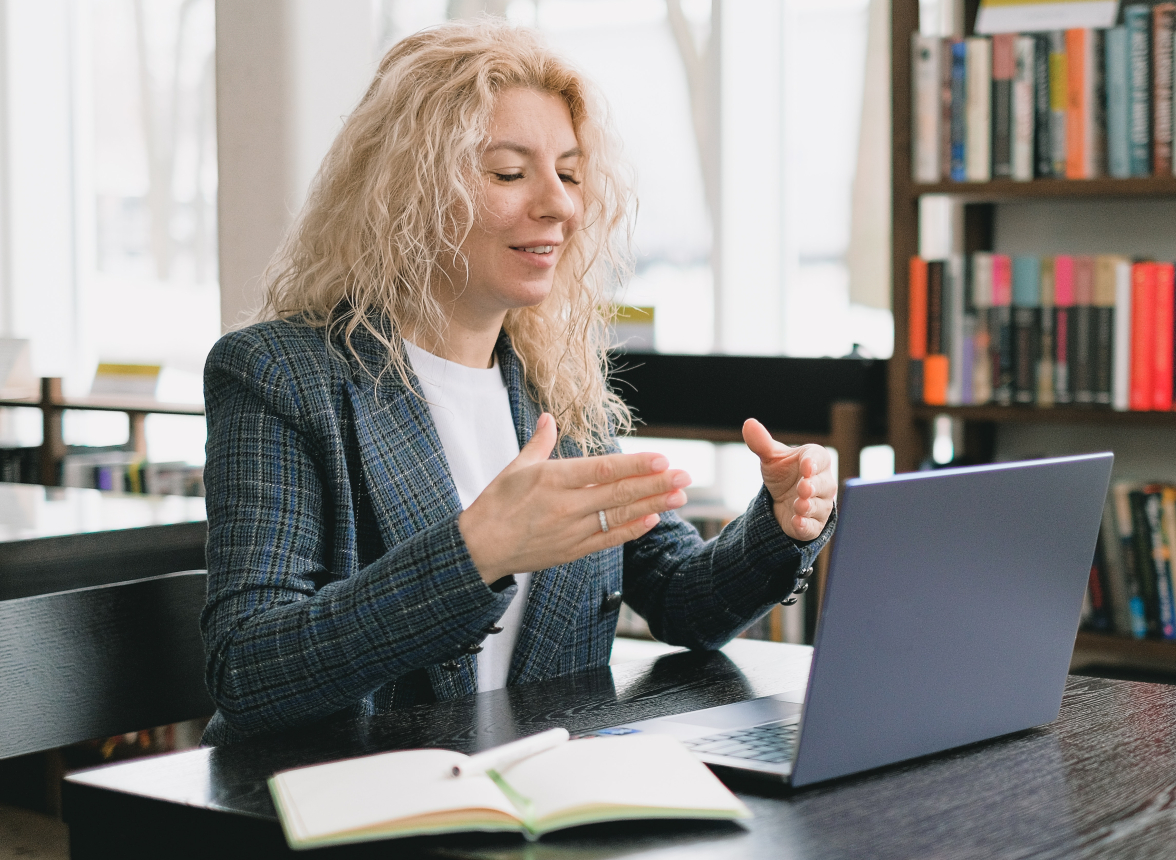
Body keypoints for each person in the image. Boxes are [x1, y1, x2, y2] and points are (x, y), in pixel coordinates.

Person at [199, 19, 837, 746]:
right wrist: (477, 553)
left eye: (569, 173)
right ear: (410, 189)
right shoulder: (277, 375)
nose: (561, 205)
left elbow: (683, 598)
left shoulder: (556, 385)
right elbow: (250, 669)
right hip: (350, 808)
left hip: (540, 805)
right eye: (510, 173)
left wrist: (782, 524)